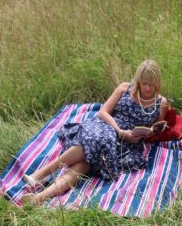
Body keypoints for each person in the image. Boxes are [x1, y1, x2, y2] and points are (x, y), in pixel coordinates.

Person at [21, 59, 168, 206]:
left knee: (85, 164)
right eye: (144, 83)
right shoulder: (125, 88)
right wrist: (119, 131)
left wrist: (143, 134)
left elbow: (155, 128)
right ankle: (41, 175)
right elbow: (103, 112)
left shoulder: (161, 103)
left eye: (151, 83)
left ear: (157, 82)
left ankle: (38, 198)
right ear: (138, 81)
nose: (148, 88)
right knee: (97, 140)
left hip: (125, 143)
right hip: (107, 125)